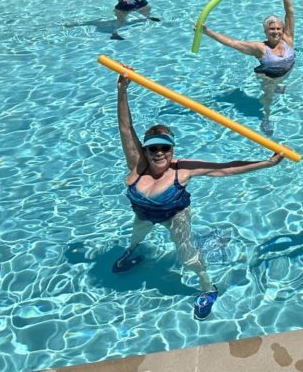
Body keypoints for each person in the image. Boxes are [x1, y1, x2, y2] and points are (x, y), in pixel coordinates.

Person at [114, 70, 284, 320]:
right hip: (144, 214)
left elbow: (225, 169)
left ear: (172, 149)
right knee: (134, 238)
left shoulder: (182, 170)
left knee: (187, 258)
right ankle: (131, 254)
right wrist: (122, 91)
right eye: (153, 148)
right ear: (145, 150)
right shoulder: (137, 166)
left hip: (175, 216)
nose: (159, 153)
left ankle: (208, 288)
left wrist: (266, 163)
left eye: (164, 148)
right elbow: (125, 128)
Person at [200, 0, 295, 136]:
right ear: (265, 32)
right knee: (268, 98)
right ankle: (266, 117)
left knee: (278, 84)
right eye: (271, 29)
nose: (276, 32)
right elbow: (233, 43)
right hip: (268, 77)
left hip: (284, 73)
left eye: (278, 28)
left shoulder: (288, 39)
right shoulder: (260, 48)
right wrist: (207, 32)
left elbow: (289, 11)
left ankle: (278, 86)